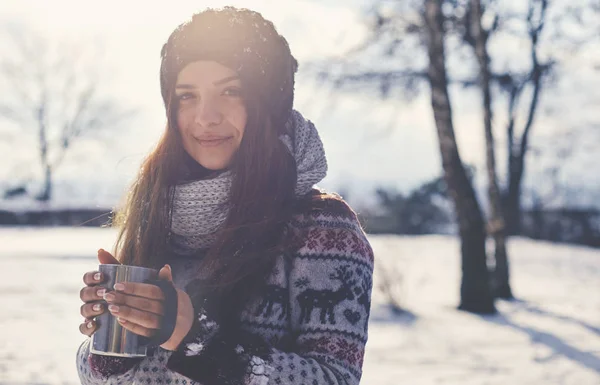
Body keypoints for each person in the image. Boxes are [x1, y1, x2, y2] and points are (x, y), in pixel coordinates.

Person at [76, 6, 374, 385]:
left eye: (231, 91)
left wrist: (195, 339)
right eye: (187, 96)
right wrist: (113, 338)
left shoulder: (321, 227)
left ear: (268, 103)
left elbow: (335, 379)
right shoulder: (158, 209)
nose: (206, 117)